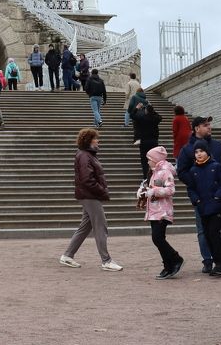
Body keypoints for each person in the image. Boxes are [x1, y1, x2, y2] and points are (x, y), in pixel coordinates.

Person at [59, 128, 122, 271]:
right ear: (89, 140)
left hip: (87, 194)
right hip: (90, 195)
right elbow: (87, 180)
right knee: (101, 226)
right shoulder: (85, 156)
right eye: (95, 138)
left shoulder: (86, 154)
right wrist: (102, 191)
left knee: (85, 226)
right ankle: (106, 261)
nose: (98, 140)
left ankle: (67, 255)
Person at [177, 116, 221, 274]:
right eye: (205, 125)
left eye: (209, 125)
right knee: (204, 230)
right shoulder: (187, 150)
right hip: (202, 199)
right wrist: (197, 184)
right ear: (196, 128)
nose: (209, 127)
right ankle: (208, 260)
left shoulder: (218, 145)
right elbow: (181, 171)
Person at [184, 140, 221, 276]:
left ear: (207, 152)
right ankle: (217, 262)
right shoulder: (193, 170)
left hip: (216, 207)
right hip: (203, 207)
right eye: (196, 152)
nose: (199, 154)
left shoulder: (216, 166)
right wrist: (196, 200)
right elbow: (190, 188)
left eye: (202, 151)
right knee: (208, 235)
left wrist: (218, 197)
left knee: (214, 234)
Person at [138, 146, 184, 279]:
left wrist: (153, 192)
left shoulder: (164, 172)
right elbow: (150, 188)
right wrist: (143, 191)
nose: (147, 162)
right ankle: (168, 265)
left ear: (155, 159)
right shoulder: (153, 172)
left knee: (157, 238)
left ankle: (175, 259)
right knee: (158, 239)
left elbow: (170, 190)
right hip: (154, 211)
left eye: (149, 159)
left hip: (162, 211)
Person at [131, 102, 162, 179]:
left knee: (144, 160)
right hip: (154, 141)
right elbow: (160, 117)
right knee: (154, 159)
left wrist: (137, 108)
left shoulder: (142, 118)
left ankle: (146, 177)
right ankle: (155, 176)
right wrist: (152, 109)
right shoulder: (155, 118)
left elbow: (132, 115)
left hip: (144, 142)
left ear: (146, 111)